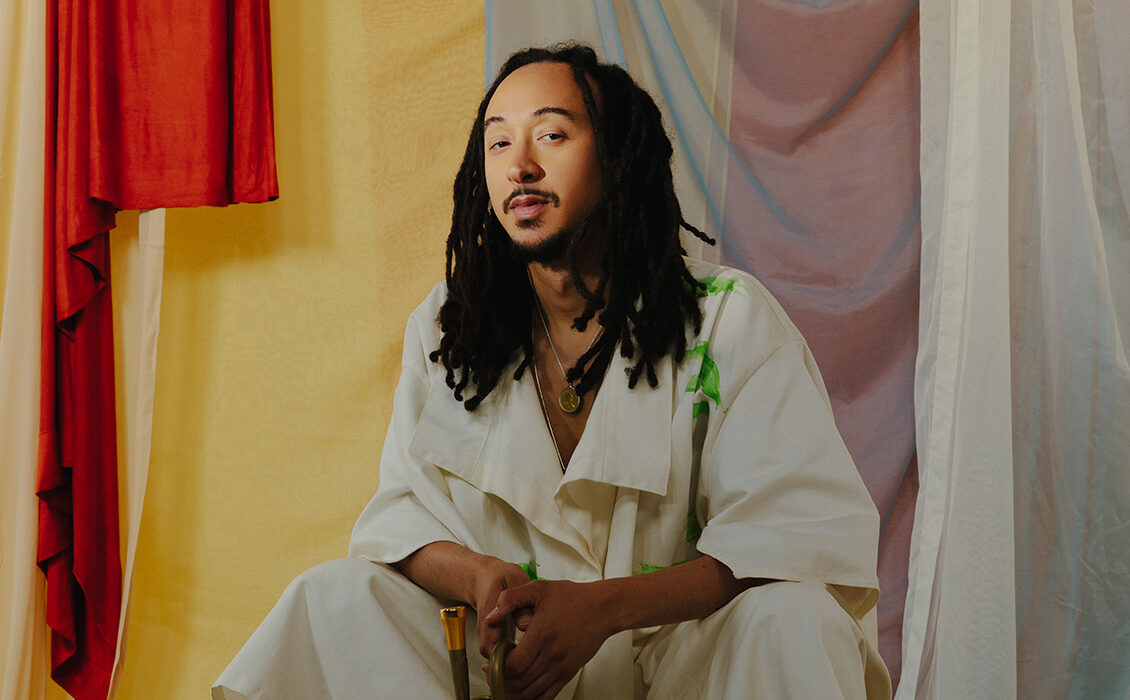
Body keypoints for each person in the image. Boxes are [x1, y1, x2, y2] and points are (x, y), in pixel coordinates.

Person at [214, 44, 891, 700]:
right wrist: (480, 577)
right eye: (498, 143)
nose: (520, 166)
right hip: (508, 672)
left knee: (793, 616)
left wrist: (601, 610)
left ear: (616, 160)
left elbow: (789, 537)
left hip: (679, 671)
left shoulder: (726, 321)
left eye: (552, 135)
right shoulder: (453, 329)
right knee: (331, 599)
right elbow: (400, 517)